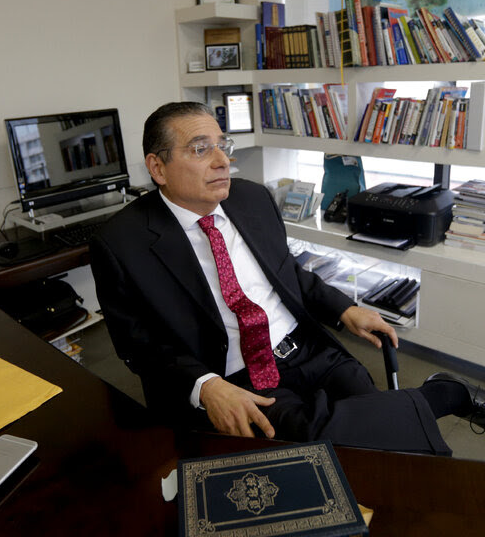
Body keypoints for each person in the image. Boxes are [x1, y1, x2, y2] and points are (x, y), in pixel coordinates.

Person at [89, 101, 484, 454]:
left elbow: (288, 272)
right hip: (235, 375)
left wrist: (344, 308)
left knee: (364, 408)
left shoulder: (251, 198)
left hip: (308, 347)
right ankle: (446, 395)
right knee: (320, 436)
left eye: (222, 146)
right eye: (199, 149)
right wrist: (206, 385)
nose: (222, 160)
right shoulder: (121, 243)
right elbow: (137, 346)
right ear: (157, 167)